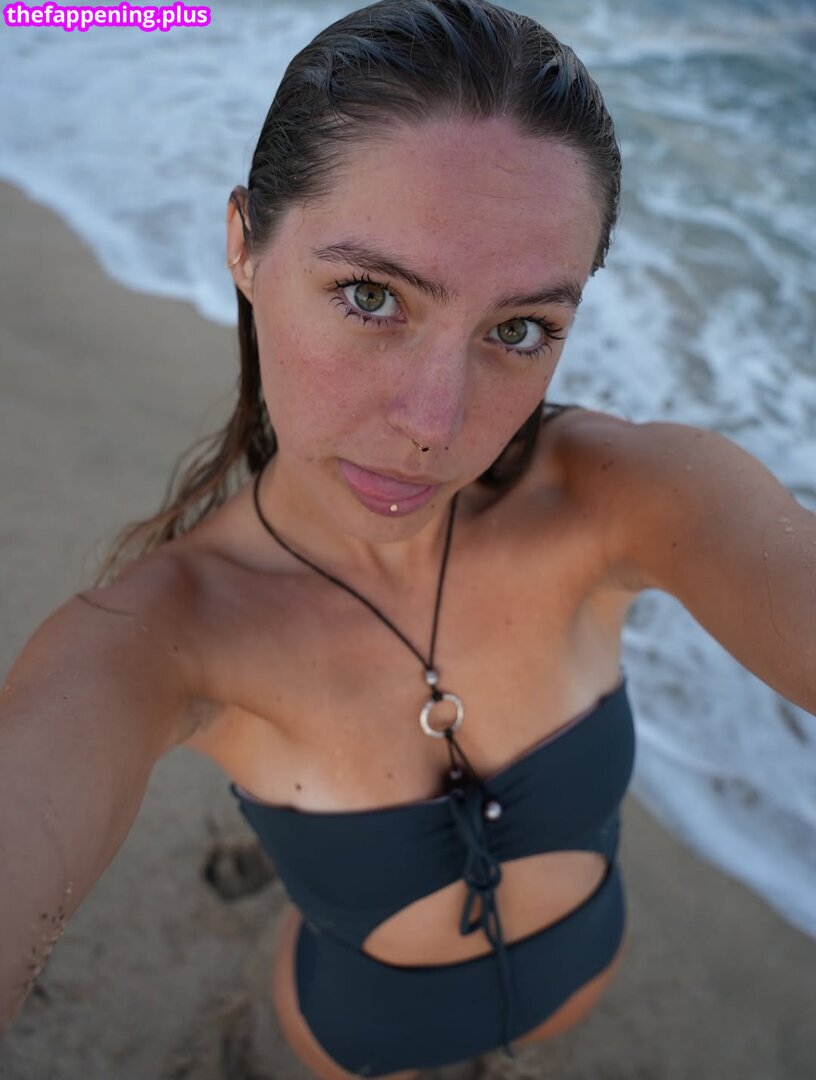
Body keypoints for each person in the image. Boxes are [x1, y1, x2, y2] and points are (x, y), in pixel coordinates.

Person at [1, 1, 813, 1077]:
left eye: (519, 330)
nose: (436, 426)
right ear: (244, 244)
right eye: (369, 294)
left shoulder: (618, 498)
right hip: (352, 1037)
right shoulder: (161, 638)